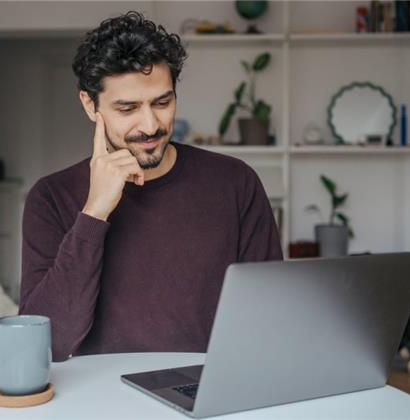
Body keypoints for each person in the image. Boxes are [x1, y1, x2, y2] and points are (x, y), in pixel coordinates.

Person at [19, 11, 283, 362]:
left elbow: (269, 316)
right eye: (127, 108)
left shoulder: (235, 182)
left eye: (162, 102)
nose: (150, 125)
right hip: (98, 398)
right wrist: (94, 212)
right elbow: (47, 343)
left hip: (205, 391)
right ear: (90, 105)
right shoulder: (50, 197)